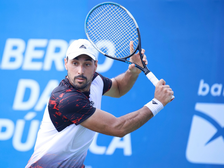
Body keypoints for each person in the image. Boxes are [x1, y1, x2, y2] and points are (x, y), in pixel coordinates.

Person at [25, 39, 174, 168]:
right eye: (75, 63)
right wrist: (157, 103)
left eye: (87, 64)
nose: (80, 71)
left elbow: (119, 87)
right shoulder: (66, 99)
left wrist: (133, 71)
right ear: (66, 63)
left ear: (95, 65)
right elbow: (118, 127)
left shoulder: (95, 80)